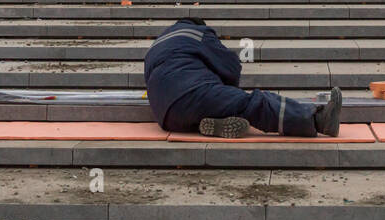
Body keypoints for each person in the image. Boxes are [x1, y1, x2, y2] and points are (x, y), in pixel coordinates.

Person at [144, 18, 343, 138]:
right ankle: (317, 120)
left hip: (165, 116)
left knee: (219, 103)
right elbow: (231, 67)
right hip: (192, 93)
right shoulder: (199, 33)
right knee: (254, 103)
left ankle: (212, 122)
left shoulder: (157, 45)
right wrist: (230, 91)